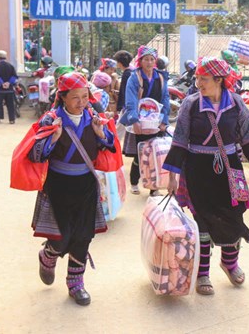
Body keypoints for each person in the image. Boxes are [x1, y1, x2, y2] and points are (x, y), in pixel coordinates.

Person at [164, 56, 249, 296]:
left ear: (219, 80)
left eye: (204, 78)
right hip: (198, 168)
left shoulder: (237, 104)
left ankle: (230, 264)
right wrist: (173, 175)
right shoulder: (190, 105)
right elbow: (179, 140)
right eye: (197, 78)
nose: (199, 83)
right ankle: (202, 273)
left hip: (230, 168)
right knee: (201, 220)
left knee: (234, 215)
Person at [28, 72, 116, 306]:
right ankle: (48, 255)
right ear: (63, 97)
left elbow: (110, 145)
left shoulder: (93, 116)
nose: (81, 102)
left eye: (85, 96)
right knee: (61, 236)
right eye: (75, 97)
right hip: (58, 184)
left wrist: (101, 133)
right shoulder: (51, 119)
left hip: (86, 183)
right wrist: (54, 138)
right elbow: (35, 154)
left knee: (83, 235)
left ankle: (75, 283)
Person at [119, 46, 170, 196]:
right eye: (146, 59)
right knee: (140, 153)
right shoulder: (134, 77)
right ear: (140, 61)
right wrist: (135, 120)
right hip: (140, 122)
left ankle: (154, 187)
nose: (149, 62)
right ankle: (134, 182)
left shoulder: (160, 77)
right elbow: (131, 100)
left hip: (156, 122)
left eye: (151, 59)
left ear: (155, 61)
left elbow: (165, 99)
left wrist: (164, 120)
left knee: (155, 153)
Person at [0, 50, 17, 124]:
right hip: (9, 89)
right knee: (10, 104)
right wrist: (8, 83)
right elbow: (14, 76)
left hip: (0, 89)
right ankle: (12, 119)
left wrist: (2, 84)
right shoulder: (10, 66)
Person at [113, 50, 133, 116]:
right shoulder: (131, 73)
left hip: (126, 107)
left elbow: (125, 91)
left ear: (120, 63)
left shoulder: (126, 74)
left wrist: (120, 107)